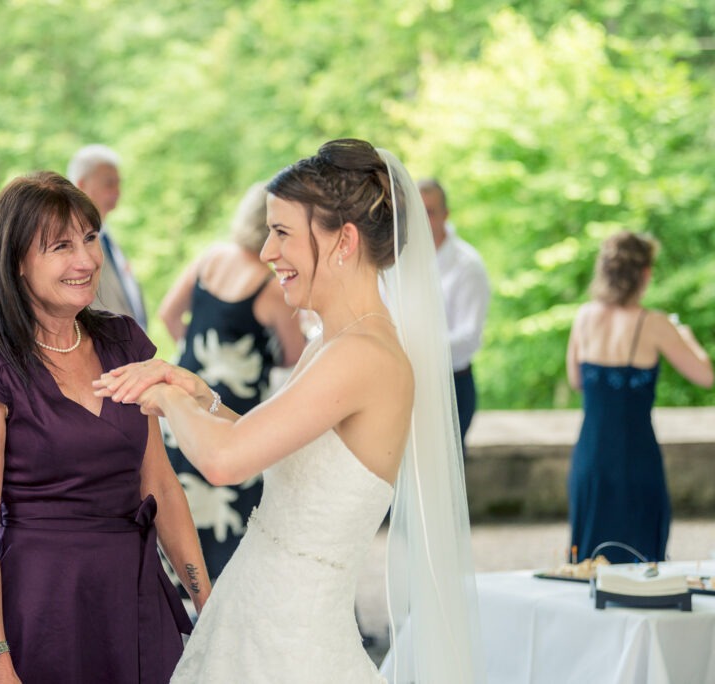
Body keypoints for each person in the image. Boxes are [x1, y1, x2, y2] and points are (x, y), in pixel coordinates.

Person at [95, 140, 482, 683]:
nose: (267, 253)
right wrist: (199, 393)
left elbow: (227, 463)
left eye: (282, 234)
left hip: (293, 642)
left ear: (343, 240)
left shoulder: (364, 355)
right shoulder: (338, 341)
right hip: (262, 616)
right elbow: (273, 444)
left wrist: (164, 397)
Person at [0, 172, 210, 683]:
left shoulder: (123, 342)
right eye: (61, 246)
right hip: (39, 609)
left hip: (133, 600)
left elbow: (159, 485)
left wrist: (210, 605)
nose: (87, 260)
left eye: (90, 238)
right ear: (17, 263)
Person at [157, 181, 306, 579]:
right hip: (230, 418)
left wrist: (196, 361)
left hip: (182, 412)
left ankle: (178, 600)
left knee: (179, 509)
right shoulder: (272, 285)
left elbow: (169, 315)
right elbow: (295, 355)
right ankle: (217, 598)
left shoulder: (211, 258)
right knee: (230, 517)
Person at [566, 231, 712, 564]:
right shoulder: (654, 323)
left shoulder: (584, 316)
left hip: (591, 455)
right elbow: (705, 376)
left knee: (590, 558)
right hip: (635, 456)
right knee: (640, 557)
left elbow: (576, 380)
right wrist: (688, 337)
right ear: (645, 274)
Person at [419, 178, 490, 454]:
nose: (423, 220)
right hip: (410, 387)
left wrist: (416, 348)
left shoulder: (467, 265)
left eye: (430, 212)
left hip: (451, 387)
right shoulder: (397, 261)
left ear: (445, 214)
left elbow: (469, 337)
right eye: (417, 212)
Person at [67, 144, 148, 329]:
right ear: (81, 185)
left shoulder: (108, 238)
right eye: (109, 183)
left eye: (119, 183)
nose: (117, 192)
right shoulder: (69, 243)